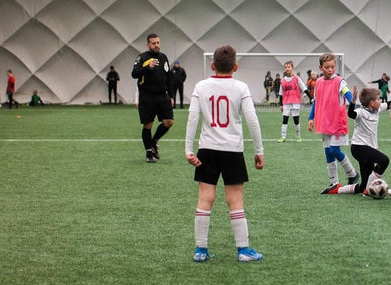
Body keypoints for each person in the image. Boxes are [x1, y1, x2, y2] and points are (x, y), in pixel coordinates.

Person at [185, 44, 265, 263]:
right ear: (235, 67)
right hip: (232, 151)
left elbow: (193, 118)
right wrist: (259, 150)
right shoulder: (241, 88)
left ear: (212, 65)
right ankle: (243, 250)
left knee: (205, 198)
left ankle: (200, 250)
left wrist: (188, 150)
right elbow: (252, 120)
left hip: (207, 150)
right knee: (235, 200)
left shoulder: (201, 86)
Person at [322, 73, 391, 195]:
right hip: (359, 147)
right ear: (371, 102)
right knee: (384, 161)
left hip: (368, 148)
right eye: (378, 99)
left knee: (362, 186)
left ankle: (338, 189)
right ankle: (370, 188)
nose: (380, 100)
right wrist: (353, 102)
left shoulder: (377, 109)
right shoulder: (360, 112)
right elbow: (351, 115)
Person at [307, 53, 359, 191]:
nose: (330, 69)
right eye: (327, 67)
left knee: (334, 150)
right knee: (328, 152)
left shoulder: (340, 81)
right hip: (324, 123)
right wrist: (311, 118)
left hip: (337, 123)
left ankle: (352, 173)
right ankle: (334, 182)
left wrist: (352, 100)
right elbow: (316, 101)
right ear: (320, 67)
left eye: (332, 67)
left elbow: (347, 93)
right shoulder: (318, 82)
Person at [131, 33, 174, 163]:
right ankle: (149, 153)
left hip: (162, 95)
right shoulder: (142, 57)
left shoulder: (163, 57)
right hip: (147, 96)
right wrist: (147, 68)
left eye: (158, 43)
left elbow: (168, 77)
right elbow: (134, 74)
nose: (156, 45)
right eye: (153, 43)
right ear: (148, 45)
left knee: (169, 121)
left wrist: (171, 95)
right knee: (148, 125)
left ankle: (154, 141)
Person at [278, 61, 312, 142]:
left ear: (292, 68)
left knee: (296, 119)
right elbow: (281, 94)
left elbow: (304, 88)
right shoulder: (282, 81)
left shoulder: (296, 78)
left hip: (295, 102)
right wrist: (280, 104)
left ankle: (298, 136)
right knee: (285, 119)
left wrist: (311, 97)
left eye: (289, 67)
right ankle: (283, 137)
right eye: (286, 67)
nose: (287, 69)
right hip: (286, 103)